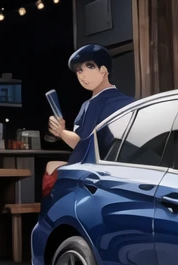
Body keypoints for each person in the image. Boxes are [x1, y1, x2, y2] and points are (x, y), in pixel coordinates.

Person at [42, 44, 133, 196]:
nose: (82, 75)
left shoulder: (106, 102)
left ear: (103, 70)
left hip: (94, 180)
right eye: (79, 70)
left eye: (89, 67)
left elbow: (86, 146)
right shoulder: (89, 104)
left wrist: (62, 132)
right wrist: (63, 132)